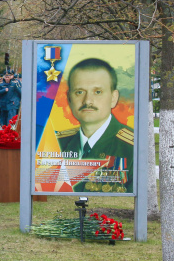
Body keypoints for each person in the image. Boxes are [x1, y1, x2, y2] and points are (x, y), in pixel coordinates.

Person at [55, 58, 133, 193]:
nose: (88, 101)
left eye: (98, 92)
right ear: (69, 98)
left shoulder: (132, 147)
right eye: (79, 92)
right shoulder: (56, 143)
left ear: (113, 98)